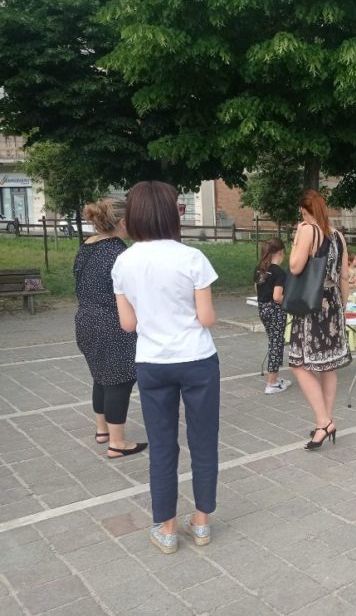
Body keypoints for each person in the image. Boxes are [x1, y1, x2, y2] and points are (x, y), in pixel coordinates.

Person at [113, 181, 220, 555]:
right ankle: (202, 523)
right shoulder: (192, 258)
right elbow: (206, 317)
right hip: (197, 359)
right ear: (173, 213)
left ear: (134, 215)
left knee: (162, 446)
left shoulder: (123, 262)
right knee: (204, 443)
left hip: (153, 363)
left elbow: (128, 324)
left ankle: (168, 528)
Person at [73, 198, 147, 459]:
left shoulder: (87, 245)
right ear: (124, 222)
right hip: (111, 322)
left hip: (85, 319)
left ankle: (102, 430)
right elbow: (132, 292)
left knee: (100, 376)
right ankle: (117, 443)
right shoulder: (120, 252)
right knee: (120, 380)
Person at [288, 190, 352, 450]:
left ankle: (323, 421)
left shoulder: (307, 230)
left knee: (299, 364)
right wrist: (342, 307)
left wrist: (296, 238)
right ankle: (323, 423)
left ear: (304, 210)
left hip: (310, 305)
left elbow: (294, 267)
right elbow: (344, 277)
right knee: (328, 367)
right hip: (333, 303)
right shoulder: (338, 236)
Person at [254, 238, 292, 394]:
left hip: (263, 309)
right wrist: (290, 301)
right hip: (276, 311)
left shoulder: (258, 268)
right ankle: (272, 383)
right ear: (281, 252)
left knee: (273, 341)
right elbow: (277, 297)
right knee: (277, 344)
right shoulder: (279, 272)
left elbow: (257, 290)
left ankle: (274, 379)